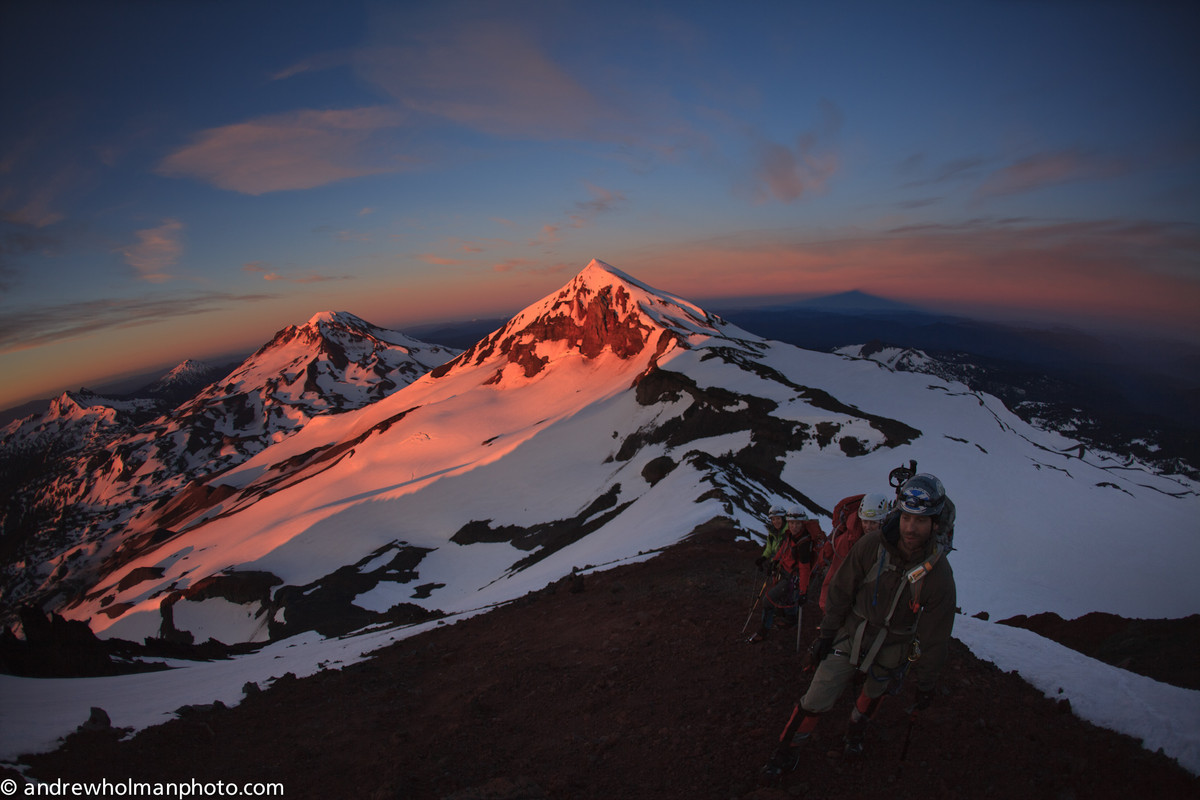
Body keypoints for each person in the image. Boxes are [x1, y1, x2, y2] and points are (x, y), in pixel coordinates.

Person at [762, 473, 956, 773]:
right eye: (906, 518)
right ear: (898, 515)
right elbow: (841, 591)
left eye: (920, 520)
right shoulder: (872, 546)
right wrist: (826, 635)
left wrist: (926, 683)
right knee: (816, 696)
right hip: (852, 634)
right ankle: (785, 752)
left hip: (893, 646)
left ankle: (855, 731)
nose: (910, 527)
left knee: (872, 694)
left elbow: (935, 635)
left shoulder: (938, 574)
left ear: (934, 523)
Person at [749, 506, 825, 643]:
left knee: (768, 600)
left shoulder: (803, 543)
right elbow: (783, 549)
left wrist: (803, 590)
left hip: (791, 576)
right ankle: (791, 620)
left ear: (802, 523)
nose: (794, 526)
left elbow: (804, 568)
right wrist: (775, 561)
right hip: (785, 572)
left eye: (797, 523)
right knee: (787, 598)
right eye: (791, 523)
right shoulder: (791, 535)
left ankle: (763, 631)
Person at [817, 492, 891, 613]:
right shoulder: (847, 541)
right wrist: (828, 608)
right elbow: (836, 574)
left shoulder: (889, 541)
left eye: (873, 522)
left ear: (883, 521)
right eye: (865, 522)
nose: (868, 527)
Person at [755, 505, 787, 573]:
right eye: (773, 519)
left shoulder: (788, 533)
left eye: (778, 518)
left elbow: (786, 553)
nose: (776, 521)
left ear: (783, 519)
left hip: (786, 568)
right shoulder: (772, 535)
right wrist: (763, 558)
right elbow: (769, 549)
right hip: (775, 566)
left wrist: (775, 564)